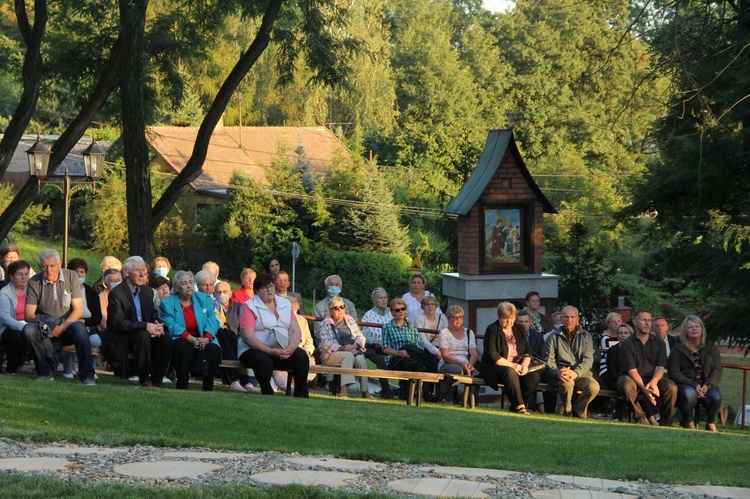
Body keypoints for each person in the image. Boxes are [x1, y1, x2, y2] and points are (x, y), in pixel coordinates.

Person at [23, 249, 95, 384]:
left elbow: (77, 310)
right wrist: (46, 325)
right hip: (44, 324)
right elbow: (28, 315)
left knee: (80, 328)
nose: (48, 270)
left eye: (52, 266)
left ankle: (87, 376)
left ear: (60, 264)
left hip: (67, 324)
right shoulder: (34, 282)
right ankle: (44, 372)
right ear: (39, 267)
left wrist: (61, 327)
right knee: (28, 330)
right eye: (44, 266)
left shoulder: (72, 276)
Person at [103, 256, 172, 386]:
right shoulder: (117, 293)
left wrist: (157, 325)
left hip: (144, 334)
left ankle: (157, 379)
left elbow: (153, 314)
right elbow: (118, 323)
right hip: (123, 337)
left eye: (144, 270)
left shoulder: (148, 292)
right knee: (143, 334)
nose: (142, 274)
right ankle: (145, 379)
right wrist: (145, 326)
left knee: (166, 338)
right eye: (137, 270)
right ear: (127, 272)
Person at [237, 273, 309, 397]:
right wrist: (270, 351)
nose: (269, 290)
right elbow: (248, 337)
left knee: (300, 356)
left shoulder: (285, 304)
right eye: (265, 287)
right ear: (257, 291)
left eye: (271, 286)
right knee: (263, 360)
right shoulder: (249, 306)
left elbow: (295, 330)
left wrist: (291, 348)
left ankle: (301, 394)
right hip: (254, 348)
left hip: (282, 347)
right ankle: (267, 391)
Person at [160, 270, 222, 391]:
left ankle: (208, 388)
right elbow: (170, 324)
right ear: (177, 288)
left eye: (190, 282)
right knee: (182, 347)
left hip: (203, 337)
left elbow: (213, 320)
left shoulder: (204, 299)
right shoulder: (167, 303)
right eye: (184, 283)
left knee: (213, 350)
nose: (189, 286)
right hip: (182, 337)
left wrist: (207, 338)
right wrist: (190, 338)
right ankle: (182, 385)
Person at [618, 309, 677, 426]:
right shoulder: (627, 344)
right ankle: (641, 417)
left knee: (671, 387)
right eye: (644, 320)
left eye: (649, 320)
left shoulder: (660, 343)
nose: (647, 323)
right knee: (626, 385)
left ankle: (666, 421)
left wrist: (654, 383)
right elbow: (632, 370)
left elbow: (660, 367)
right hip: (632, 377)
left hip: (653, 377)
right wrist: (644, 389)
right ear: (635, 322)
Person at [479, 302, 540, 414]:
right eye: (505, 319)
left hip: (517, 366)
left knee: (534, 377)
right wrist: (512, 365)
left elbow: (528, 351)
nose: (508, 322)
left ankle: (514, 405)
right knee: (509, 372)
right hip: (495, 368)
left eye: (511, 318)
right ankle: (521, 406)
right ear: (499, 317)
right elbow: (493, 355)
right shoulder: (492, 329)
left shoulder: (519, 329)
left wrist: (525, 365)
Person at [668, 315, 723, 431]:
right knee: (689, 394)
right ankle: (688, 422)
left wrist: (706, 386)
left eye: (697, 326)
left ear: (702, 329)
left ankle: (711, 423)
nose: (694, 329)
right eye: (690, 327)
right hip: (686, 384)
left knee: (716, 397)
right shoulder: (677, 349)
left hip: (707, 384)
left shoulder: (711, 347)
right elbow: (674, 372)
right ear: (685, 331)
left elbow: (717, 370)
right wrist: (693, 384)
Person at [542, 306, 599, 418]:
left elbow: (588, 359)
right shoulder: (552, 337)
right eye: (566, 317)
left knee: (594, 386)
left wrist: (576, 373)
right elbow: (548, 361)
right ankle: (567, 411)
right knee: (567, 383)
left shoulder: (586, 336)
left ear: (577, 319)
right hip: (560, 374)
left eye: (572, 317)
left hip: (580, 374)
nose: (569, 320)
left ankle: (578, 411)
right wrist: (558, 372)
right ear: (561, 318)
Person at [382, 298, 438, 400]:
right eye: (397, 310)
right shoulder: (387, 327)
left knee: (419, 365)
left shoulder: (412, 327)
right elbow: (385, 348)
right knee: (410, 364)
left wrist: (407, 352)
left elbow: (416, 347)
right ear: (392, 312)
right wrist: (399, 353)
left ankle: (420, 393)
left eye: (403, 309)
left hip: (411, 357)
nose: (401, 312)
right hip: (395, 358)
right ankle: (410, 393)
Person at [318, 296, 372, 398]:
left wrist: (355, 345)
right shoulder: (325, 323)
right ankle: (343, 389)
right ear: (330, 310)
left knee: (360, 359)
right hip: (331, 354)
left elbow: (360, 336)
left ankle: (365, 391)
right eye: (336, 308)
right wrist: (345, 349)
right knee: (348, 356)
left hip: (352, 350)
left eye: (342, 307)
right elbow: (327, 344)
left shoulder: (350, 320)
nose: (340, 310)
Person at [213, 280, 257, 393]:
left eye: (224, 291)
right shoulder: (212, 307)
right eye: (218, 292)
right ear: (214, 294)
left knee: (233, 341)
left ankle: (243, 381)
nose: (221, 294)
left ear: (231, 293)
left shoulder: (241, 308)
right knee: (224, 337)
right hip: (219, 341)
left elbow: (245, 328)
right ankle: (237, 380)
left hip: (238, 341)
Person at [63, 258, 103, 379]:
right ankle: (68, 369)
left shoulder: (91, 293)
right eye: (76, 272)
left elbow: (97, 317)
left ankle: (90, 368)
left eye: (82, 272)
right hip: (69, 326)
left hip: (89, 328)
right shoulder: (64, 291)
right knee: (73, 337)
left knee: (96, 341)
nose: (79, 275)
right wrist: (76, 323)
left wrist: (84, 322)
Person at [360, 287, 394, 399]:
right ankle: (386, 390)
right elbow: (364, 332)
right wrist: (375, 341)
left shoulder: (392, 313)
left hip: (389, 346)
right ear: (374, 300)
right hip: (373, 346)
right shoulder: (368, 315)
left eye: (385, 298)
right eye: (380, 298)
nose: (384, 300)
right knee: (381, 360)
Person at [0, 260, 31, 373]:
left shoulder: (33, 290)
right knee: (16, 337)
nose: (24, 277)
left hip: (30, 324)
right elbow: (4, 317)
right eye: (19, 274)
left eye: (26, 274)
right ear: (12, 277)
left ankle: (43, 370)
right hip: (10, 326)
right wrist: (23, 327)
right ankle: (12, 369)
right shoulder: (5, 292)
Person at [438, 305, 478, 376]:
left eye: (460, 317)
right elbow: (445, 355)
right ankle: (452, 387)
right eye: (454, 317)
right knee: (457, 370)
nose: (458, 320)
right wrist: (461, 364)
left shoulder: (469, 332)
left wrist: (469, 365)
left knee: (476, 373)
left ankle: (469, 387)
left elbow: (474, 354)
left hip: (466, 363)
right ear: (449, 319)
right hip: (448, 363)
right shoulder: (444, 333)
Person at [606, 323, 632, 420]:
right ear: (617, 335)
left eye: (626, 333)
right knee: (623, 387)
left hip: (632, 379)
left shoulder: (635, 350)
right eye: (620, 333)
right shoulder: (612, 351)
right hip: (615, 380)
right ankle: (617, 411)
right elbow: (612, 372)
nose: (623, 335)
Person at [416, 295, 448, 362]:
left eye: (432, 304)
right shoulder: (419, 319)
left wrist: (443, 351)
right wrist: (436, 351)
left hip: (442, 348)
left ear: (436, 306)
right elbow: (422, 340)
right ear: (423, 307)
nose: (430, 306)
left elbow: (447, 336)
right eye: (427, 304)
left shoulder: (443, 317)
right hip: (426, 349)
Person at [599, 312, 623, 381]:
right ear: (608, 324)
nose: (617, 324)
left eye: (619, 321)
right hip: (607, 369)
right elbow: (609, 357)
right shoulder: (605, 339)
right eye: (613, 322)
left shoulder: (624, 338)